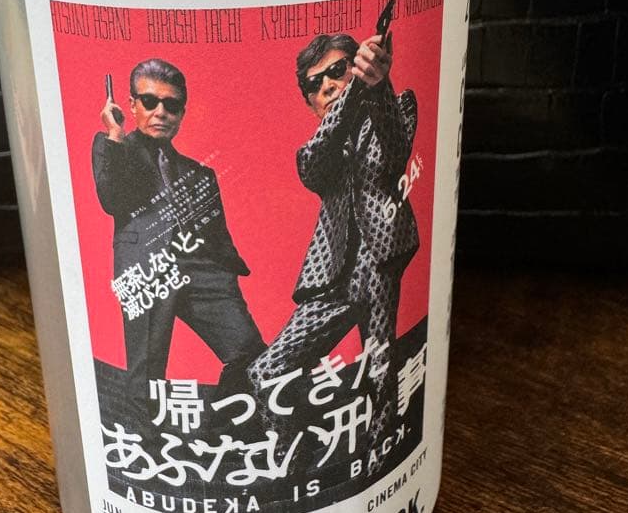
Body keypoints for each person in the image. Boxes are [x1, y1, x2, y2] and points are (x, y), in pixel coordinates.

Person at [245, 31, 419, 454]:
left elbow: (395, 151)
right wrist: (353, 90)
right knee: (265, 371)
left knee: (379, 364)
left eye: (338, 71)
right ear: (309, 102)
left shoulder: (396, 105)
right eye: (314, 83)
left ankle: (380, 449)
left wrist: (375, 87)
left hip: (380, 257)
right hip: (332, 276)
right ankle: (297, 450)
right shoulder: (317, 149)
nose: (326, 85)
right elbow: (313, 167)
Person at [92, 58, 265, 422]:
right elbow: (111, 199)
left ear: (182, 113)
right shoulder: (114, 147)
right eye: (149, 101)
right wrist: (114, 133)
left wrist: (225, 276)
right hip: (148, 268)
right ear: (132, 104)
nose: (161, 112)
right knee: (146, 373)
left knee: (250, 351)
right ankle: (144, 439)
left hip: (202, 272)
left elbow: (217, 233)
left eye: (171, 105)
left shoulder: (200, 173)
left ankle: (221, 422)